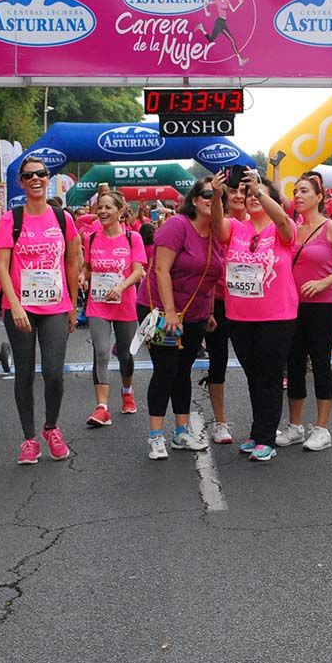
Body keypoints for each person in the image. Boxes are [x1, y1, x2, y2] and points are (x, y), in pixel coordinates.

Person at [0, 157, 81, 465]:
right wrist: (15, 305)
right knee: (25, 373)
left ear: (48, 179)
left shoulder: (62, 218)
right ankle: (29, 439)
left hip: (56, 306)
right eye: (28, 175)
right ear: (21, 182)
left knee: (54, 373)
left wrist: (72, 304)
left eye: (41, 174)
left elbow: (71, 262)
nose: (35, 179)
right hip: (19, 308)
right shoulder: (11, 219)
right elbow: (2, 268)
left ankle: (51, 428)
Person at [211, 171, 298, 461]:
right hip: (239, 315)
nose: (251, 198)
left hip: (276, 315)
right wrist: (216, 194)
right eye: (247, 196)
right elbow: (216, 227)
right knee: (253, 377)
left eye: (258, 195)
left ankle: (267, 439)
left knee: (270, 377)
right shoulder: (236, 227)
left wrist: (259, 189)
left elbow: (284, 220)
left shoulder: (282, 229)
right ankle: (257, 432)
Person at [137, 178, 224, 460]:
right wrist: (171, 312)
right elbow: (160, 270)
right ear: (195, 200)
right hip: (161, 309)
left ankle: (182, 432)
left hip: (195, 313)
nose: (213, 198)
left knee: (183, 370)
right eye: (208, 194)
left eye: (217, 194)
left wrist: (209, 311)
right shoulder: (178, 225)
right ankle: (155, 436)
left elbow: (209, 276)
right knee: (166, 369)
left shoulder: (217, 232)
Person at [276, 175, 332, 453]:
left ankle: (322, 429)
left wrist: (324, 282)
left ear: (319, 197)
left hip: (324, 306)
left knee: (321, 365)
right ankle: (295, 426)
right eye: (295, 192)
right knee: (295, 364)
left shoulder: (331, 227)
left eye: (304, 191)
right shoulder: (291, 229)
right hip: (292, 306)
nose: (298, 196)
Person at [81, 193, 145, 427]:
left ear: (120, 211)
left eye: (108, 207)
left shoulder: (132, 238)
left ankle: (127, 391)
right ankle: (102, 408)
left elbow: (139, 271)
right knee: (101, 352)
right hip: (98, 303)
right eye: (100, 207)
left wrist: (121, 286)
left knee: (126, 355)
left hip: (124, 304)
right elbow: (87, 266)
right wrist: (82, 275)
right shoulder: (90, 238)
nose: (103, 211)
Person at [202, 178, 249, 445]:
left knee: (254, 363)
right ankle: (220, 422)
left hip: (250, 303)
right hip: (218, 302)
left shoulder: (260, 225)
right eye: (233, 191)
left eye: (244, 191)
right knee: (217, 362)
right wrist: (207, 307)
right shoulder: (216, 226)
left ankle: (262, 422)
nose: (239, 195)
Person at [195, 0, 248, 66]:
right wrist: (206, 12)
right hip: (219, 22)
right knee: (232, 41)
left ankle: (201, 28)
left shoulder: (227, 1)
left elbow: (233, 10)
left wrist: (239, 4)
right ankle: (240, 60)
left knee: (211, 40)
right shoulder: (217, 1)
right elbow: (205, 3)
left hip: (223, 22)